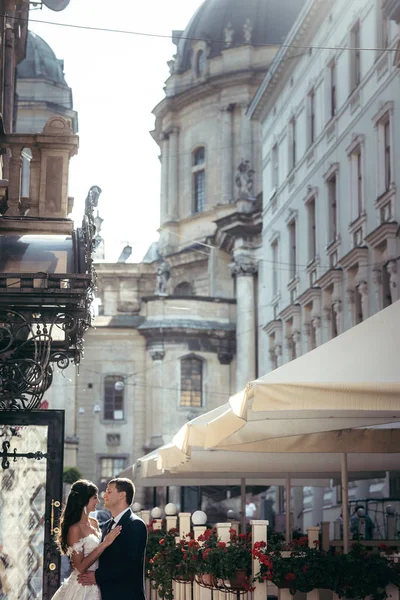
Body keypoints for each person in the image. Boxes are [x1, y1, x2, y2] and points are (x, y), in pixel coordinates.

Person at [78, 477, 147, 600]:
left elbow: (131, 565)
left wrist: (97, 577)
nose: (104, 496)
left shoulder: (136, 524)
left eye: (109, 492)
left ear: (122, 495)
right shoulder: (105, 526)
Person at [52, 479, 121, 600]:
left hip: (98, 582)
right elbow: (80, 567)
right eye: (94, 498)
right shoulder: (75, 529)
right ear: (84, 500)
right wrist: (104, 544)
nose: (98, 501)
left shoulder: (94, 522)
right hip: (83, 587)